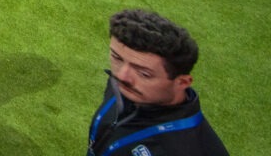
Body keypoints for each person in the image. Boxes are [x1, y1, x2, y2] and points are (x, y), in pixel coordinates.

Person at [90, 9, 228, 156]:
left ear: (182, 82)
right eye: (117, 58)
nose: (122, 77)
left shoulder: (189, 149)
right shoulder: (126, 86)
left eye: (144, 73)